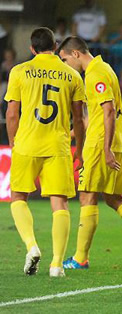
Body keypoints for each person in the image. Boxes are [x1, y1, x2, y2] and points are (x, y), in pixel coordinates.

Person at [58, 36, 122, 270]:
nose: (66, 66)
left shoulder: (95, 73)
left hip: (101, 143)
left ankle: (80, 258)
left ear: (75, 54)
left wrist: (105, 149)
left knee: (86, 195)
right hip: (116, 141)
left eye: (64, 60)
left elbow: (108, 111)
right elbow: (97, 113)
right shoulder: (105, 69)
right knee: (114, 198)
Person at [4, 27, 85, 277]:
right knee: (59, 204)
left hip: (27, 143)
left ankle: (31, 246)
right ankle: (57, 264)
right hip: (57, 145)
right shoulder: (71, 75)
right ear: (56, 46)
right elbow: (79, 120)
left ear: (32, 48)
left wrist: (12, 144)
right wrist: (79, 149)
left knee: (18, 198)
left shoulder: (19, 71)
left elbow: (11, 114)